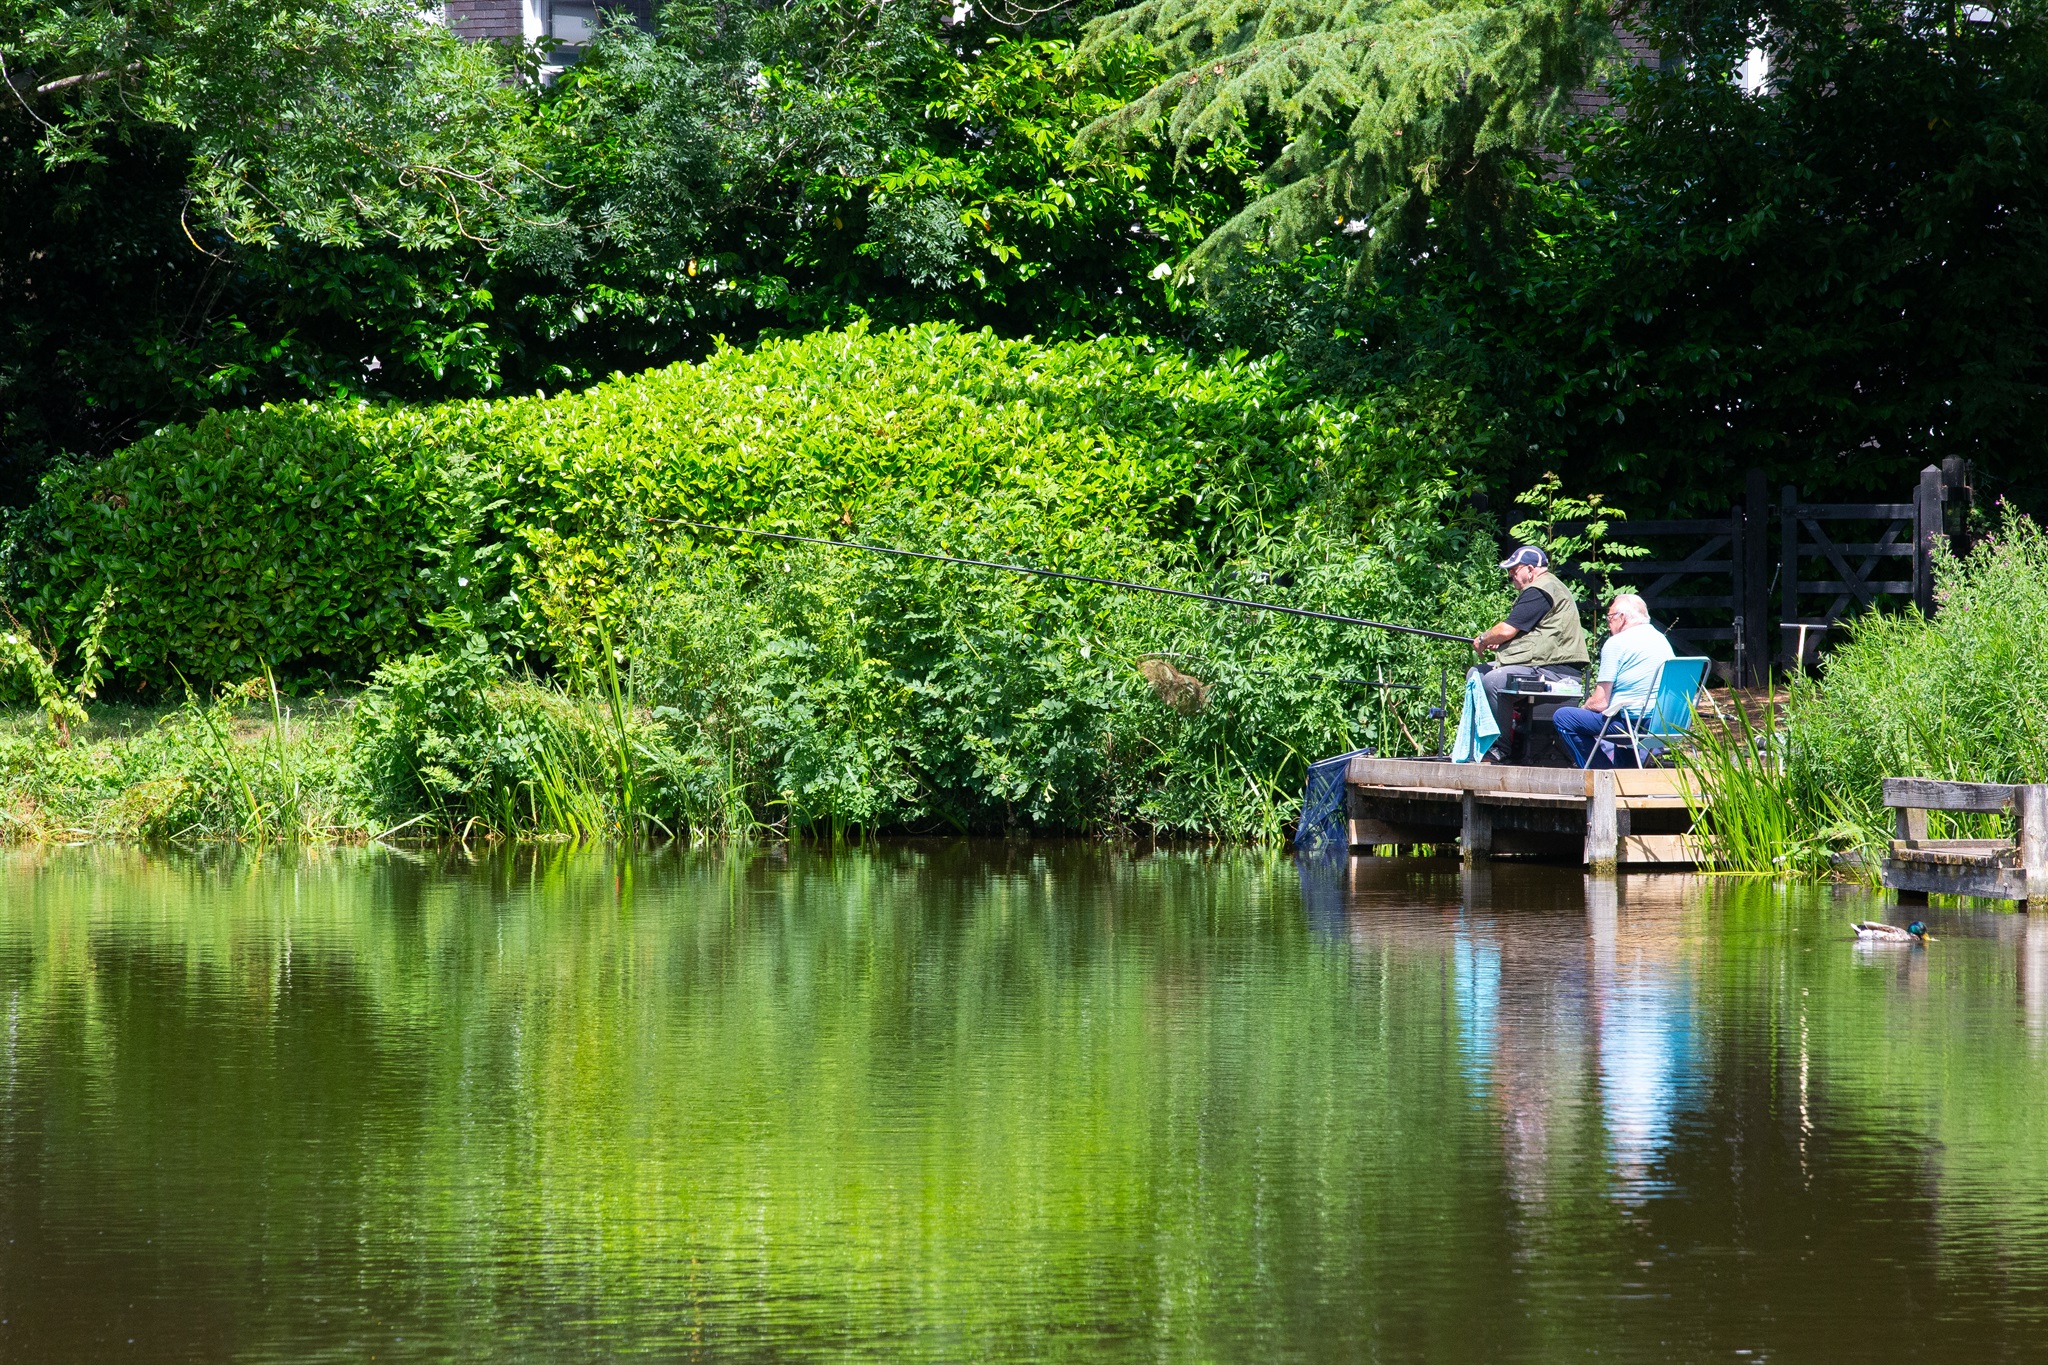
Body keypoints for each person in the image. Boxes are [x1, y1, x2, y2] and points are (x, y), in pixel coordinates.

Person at [1471, 546, 1590, 753]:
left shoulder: (1540, 589)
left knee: (1495, 680)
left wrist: (1483, 638)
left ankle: (1498, 749)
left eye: (1513, 570)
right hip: (1541, 663)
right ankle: (1477, 745)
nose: (1510, 576)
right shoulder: (1544, 588)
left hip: (1557, 669)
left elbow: (1507, 629)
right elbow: (1534, 634)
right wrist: (1503, 645)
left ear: (1530, 569)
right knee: (1476, 673)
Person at [1551, 594, 1676, 768]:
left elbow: (1600, 703)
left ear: (1622, 618)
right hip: (1667, 722)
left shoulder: (1617, 643)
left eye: (1610, 617)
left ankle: (1602, 774)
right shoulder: (1661, 640)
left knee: (1564, 717)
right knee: (1617, 712)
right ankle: (1626, 776)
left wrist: (1584, 708)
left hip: (1634, 723)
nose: (1608, 623)